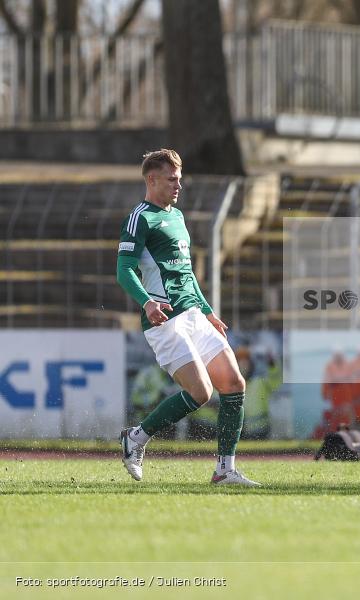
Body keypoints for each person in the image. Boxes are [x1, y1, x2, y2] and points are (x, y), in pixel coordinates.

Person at [116, 149, 259, 486]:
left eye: (180, 178)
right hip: (165, 321)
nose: (178, 184)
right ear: (152, 179)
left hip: (193, 314)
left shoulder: (177, 216)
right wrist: (148, 303)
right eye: (171, 179)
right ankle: (136, 437)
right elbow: (124, 271)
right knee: (200, 392)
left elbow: (186, 272)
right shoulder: (140, 218)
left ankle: (224, 470)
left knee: (234, 384)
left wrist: (207, 311)